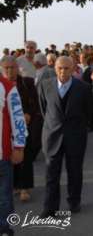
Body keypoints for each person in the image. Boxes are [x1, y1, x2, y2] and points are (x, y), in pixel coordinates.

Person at [38, 56, 92, 217]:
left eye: (66, 68)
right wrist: (53, 126)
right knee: (51, 174)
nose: (62, 71)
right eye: (59, 68)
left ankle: (74, 201)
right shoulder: (45, 85)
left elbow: (88, 113)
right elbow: (44, 110)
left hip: (75, 136)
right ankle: (50, 207)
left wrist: (77, 129)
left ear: (73, 69)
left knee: (75, 171)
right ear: (55, 68)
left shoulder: (83, 88)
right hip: (52, 136)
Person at [1, 56, 40, 202]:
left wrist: (28, 114)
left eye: (13, 67)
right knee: (8, 158)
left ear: (18, 68)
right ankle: (14, 185)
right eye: (7, 68)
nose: (10, 70)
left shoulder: (27, 82)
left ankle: (24, 187)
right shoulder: (1, 85)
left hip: (24, 126)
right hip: (4, 128)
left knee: (25, 157)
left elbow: (36, 102)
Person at [0, 71, 27, 236]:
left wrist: (19, 146)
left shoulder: (7, 86)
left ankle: (4, 229)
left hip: (2, 156)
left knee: (4, 198)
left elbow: (18, 118)